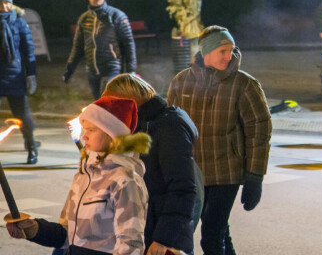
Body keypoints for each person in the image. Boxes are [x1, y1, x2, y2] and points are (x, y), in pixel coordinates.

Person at [167, 25, 272, 255]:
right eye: (222, 51)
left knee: (212, 236)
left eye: (231, 50)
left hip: (227, 172)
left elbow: (259, 133)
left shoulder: (244, 84)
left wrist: (255, 177)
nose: (229, 56)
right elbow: (171, 127)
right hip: (194, 172)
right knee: (220, 232)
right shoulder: (181, 81)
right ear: (206, 51)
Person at [6, 97, 149, 254]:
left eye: (91, 130)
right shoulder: (84, 174)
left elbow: (131, 244)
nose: (84, 136)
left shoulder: (125, 180)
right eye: (84, 130)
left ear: (111, 135)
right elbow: (68, 235)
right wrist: (34, 230)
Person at [103, 74, 200, 255]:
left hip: (163, 235)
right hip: (146, 228)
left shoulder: (169, 127)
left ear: (129, 102)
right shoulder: (141, 124)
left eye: (112, 105)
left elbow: (182, 188)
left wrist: (163, 238)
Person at [64, 0, 137, 99]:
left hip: (112, 67)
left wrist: (131, 70)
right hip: (92, 70)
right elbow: (78, 46)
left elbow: (128, 43)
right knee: (98, 102)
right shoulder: (84, 18)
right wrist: (69, 70)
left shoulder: (117, 15)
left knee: (108, 100)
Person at [0, 0, 39, 164]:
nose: (4, 7)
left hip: (15, 77)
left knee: (22, 115)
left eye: (7, 3)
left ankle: (31, 147)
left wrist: (31, 74)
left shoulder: (19, 22)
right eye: (0, 4)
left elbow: (28, 51)